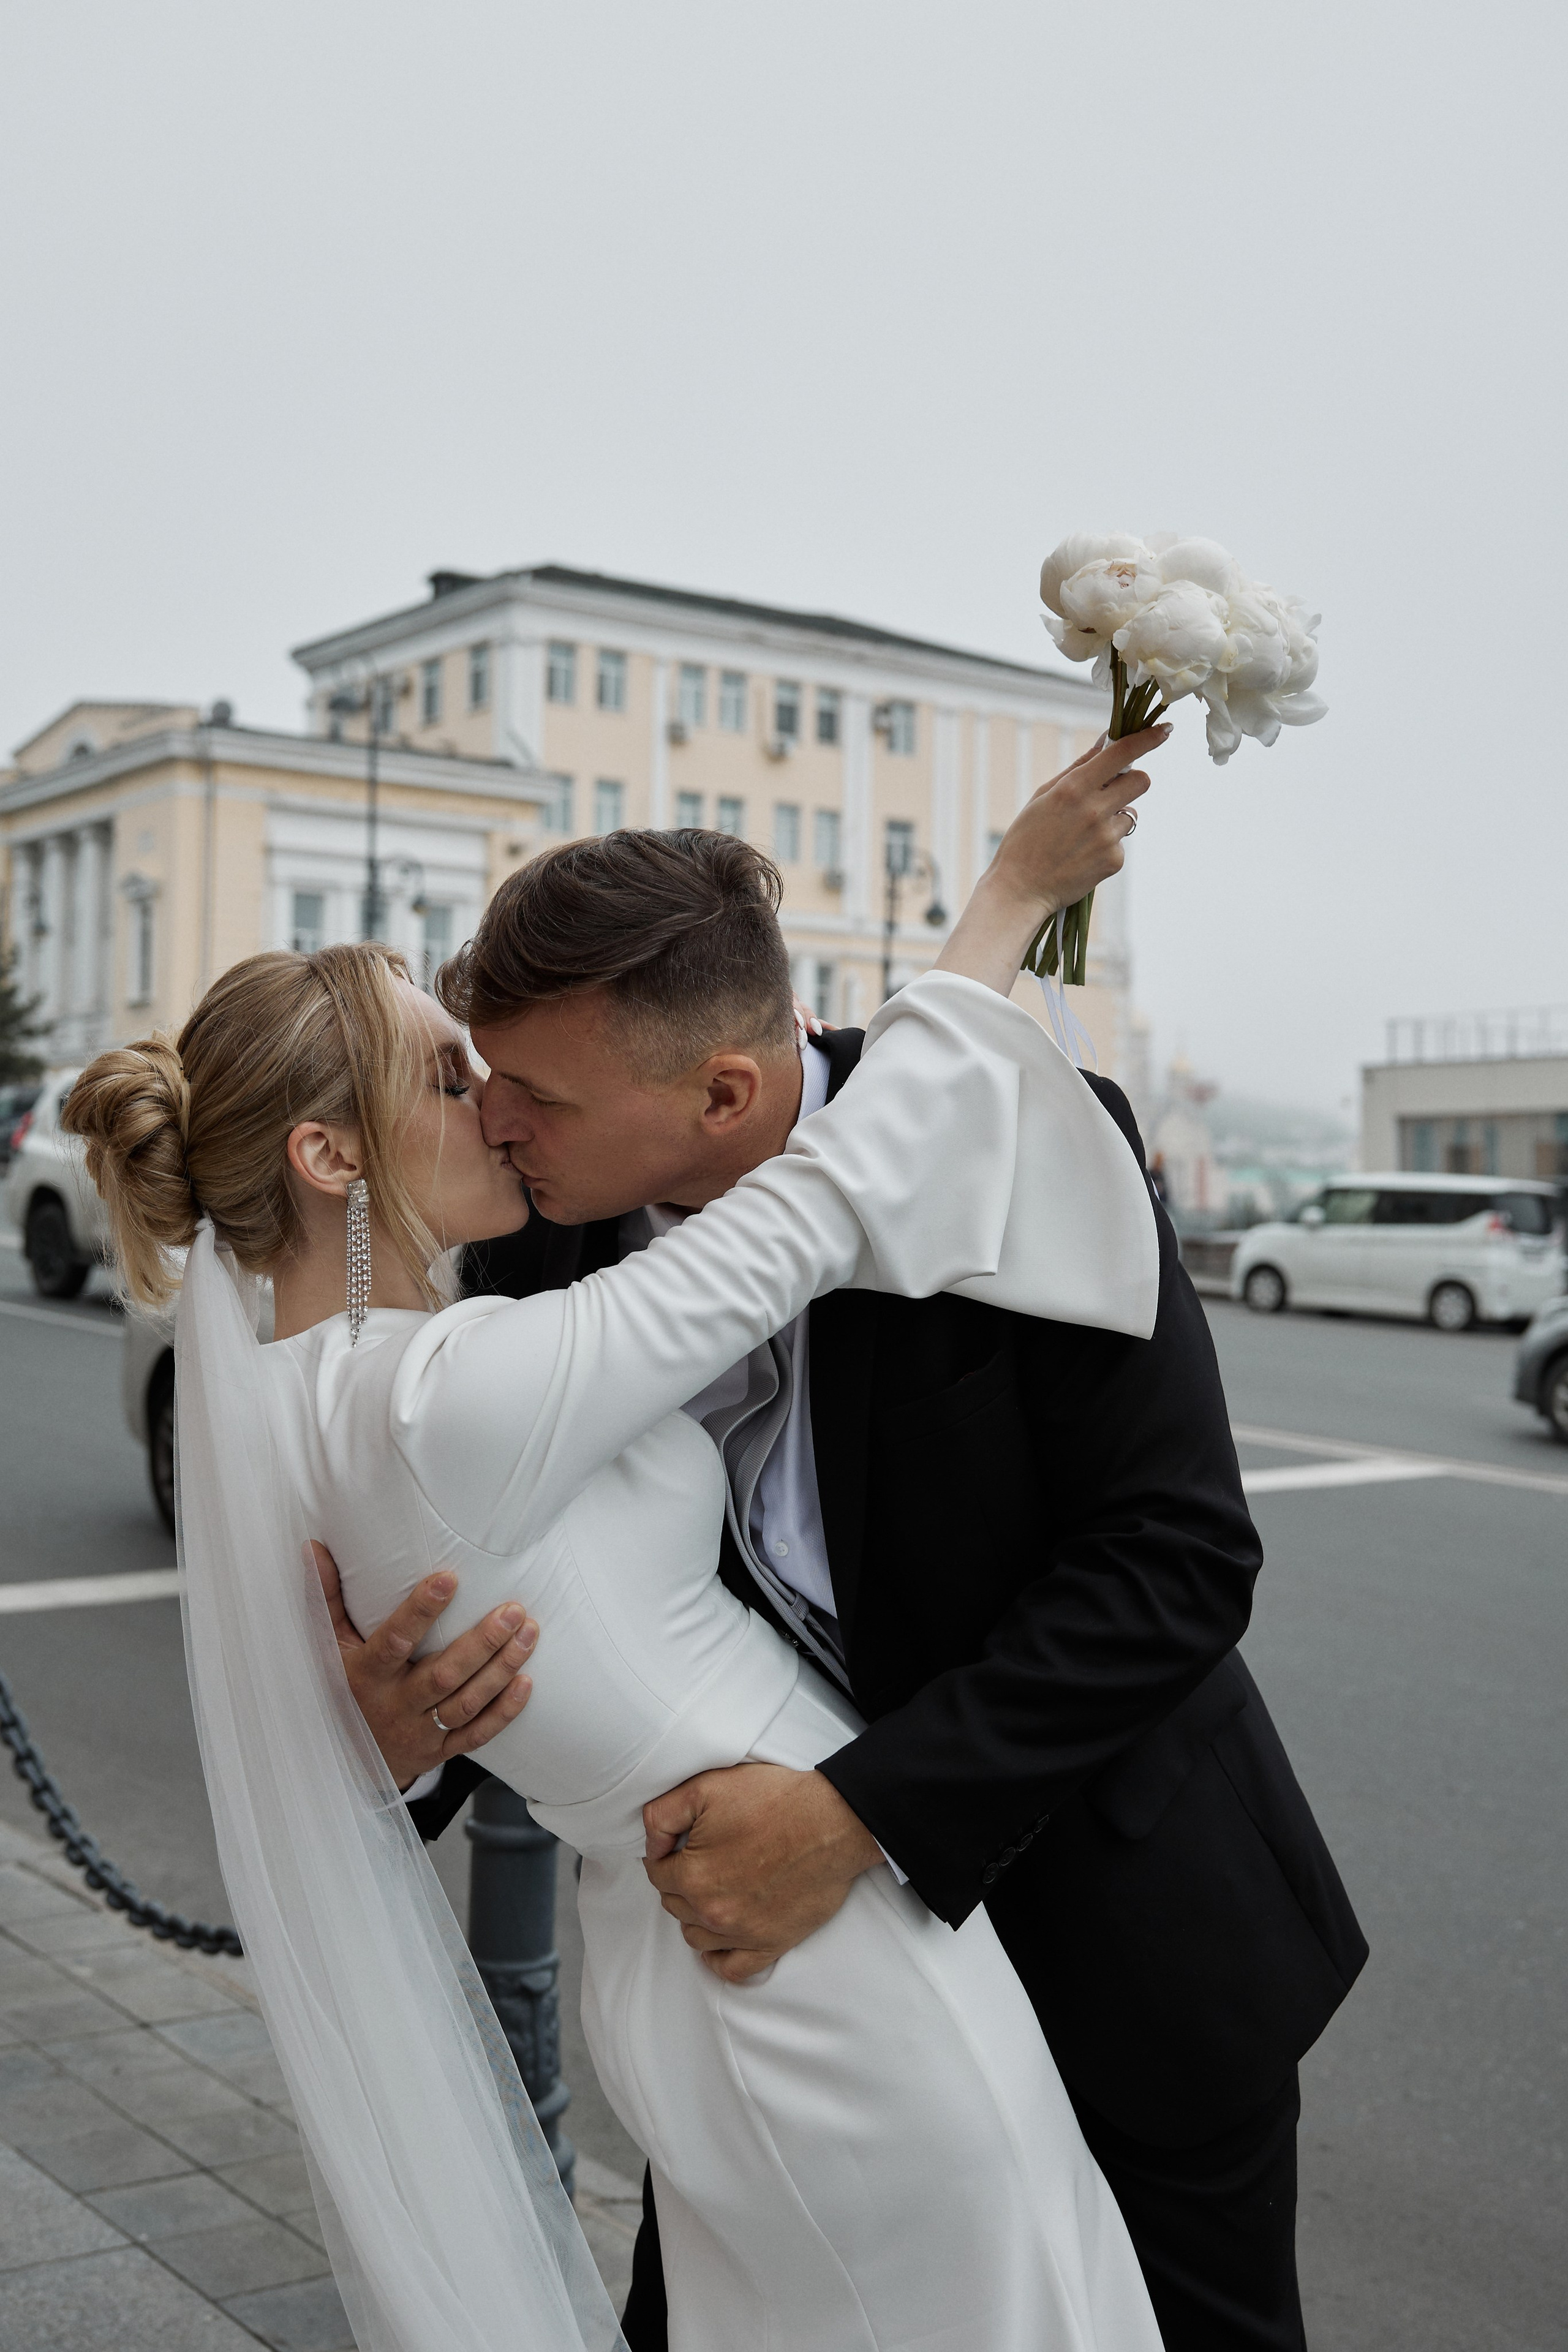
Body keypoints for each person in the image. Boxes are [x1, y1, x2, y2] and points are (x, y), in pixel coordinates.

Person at [67, 731, 1173, 2352]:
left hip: (715, 1960)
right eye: (453, 1080)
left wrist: (377, 1741)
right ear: (329, 1157)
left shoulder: (334, 1400)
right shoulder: (433, 1401)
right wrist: (1007, 895)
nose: (501, 1112)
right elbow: (816, 1208)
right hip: (823, 1979)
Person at [352, 777, 1368, 2352]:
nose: (495, 1122)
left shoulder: (1030, 1139)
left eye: (535, 1095)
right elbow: (534, 1581)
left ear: (722, 1093)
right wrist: (403, 1733)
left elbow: (1173, 1552)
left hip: (1117, 1945)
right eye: (490, 1083)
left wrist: (858, 1816)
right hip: (775, 2021)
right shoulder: (538, 1232)